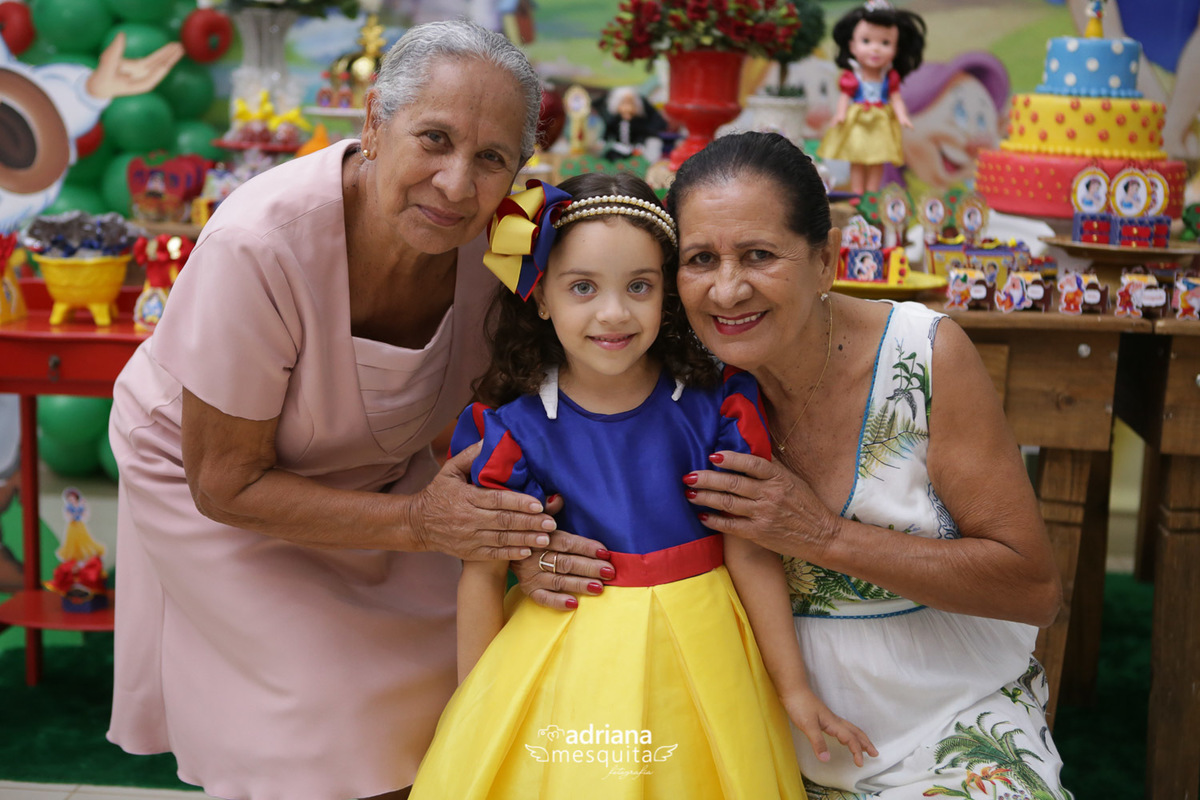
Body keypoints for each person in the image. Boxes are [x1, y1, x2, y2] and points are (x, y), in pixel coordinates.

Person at [106, 20, 602, 800]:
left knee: (465, 676)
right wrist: (423, 525)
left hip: (387, 471)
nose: (455, 185)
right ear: (374, 123)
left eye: (491, 159)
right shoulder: (257, 243)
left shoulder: (507, 247)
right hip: (215, 486)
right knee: (319, 710)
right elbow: (225, 482)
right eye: (434, 139)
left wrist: (528, 533)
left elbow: (501, 413)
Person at [409, 172, 874, 798]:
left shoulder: (716, 410)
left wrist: (793, 689)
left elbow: (750, 552)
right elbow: (484, 575)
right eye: (582, 287)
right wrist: (477, 704)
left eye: (639, 286)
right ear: (540, 296)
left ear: (667, 293)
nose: (614, 312)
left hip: (703, 655)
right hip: (566, 660)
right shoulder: (513, 432)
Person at [664, 131, 1071, 798]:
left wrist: (822, 536)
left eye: (759, 255)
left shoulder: (926, 355)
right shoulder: (677, 379)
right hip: (750, 739)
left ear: (826, 260)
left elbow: (1032, 589)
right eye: (700, 259)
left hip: (950, 727)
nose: (727, 289)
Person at [817, 0, 926, 195]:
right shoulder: (853, 75)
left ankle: (872, 193)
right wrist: (840, 114)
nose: (875, 49)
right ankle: (857, 192)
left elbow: (896, 98)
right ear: (852, 46)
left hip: (880, 122)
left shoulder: (889, 77)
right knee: (856, 158)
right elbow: (845, 96)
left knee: (877, 159)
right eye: (866, 41)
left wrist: (902, 116)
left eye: (885, 43)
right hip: (858, 120)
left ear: (896, 49)